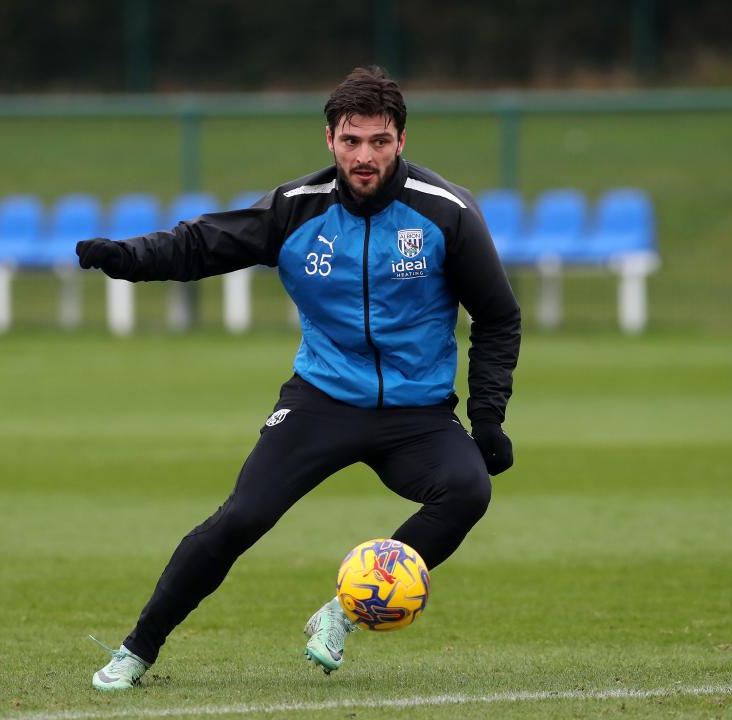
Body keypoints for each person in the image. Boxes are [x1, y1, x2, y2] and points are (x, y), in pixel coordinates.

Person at [79, 66, 521, 690]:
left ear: (400, 140)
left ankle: (345, 610)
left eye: (379, 141)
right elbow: (205, 243)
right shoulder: (296, 209)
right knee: (241, 519)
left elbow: (498, 317)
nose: (364, 156)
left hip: (418, 413)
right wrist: (129, 258)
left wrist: (488, 417)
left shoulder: (447, 214)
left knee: (468, 491)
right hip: (322, 400)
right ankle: (136, 650)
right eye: (351, 140)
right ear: (330, 140)